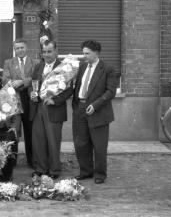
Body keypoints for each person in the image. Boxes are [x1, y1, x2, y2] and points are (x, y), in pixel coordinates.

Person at [72, 39, 119, 184]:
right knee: (81, 143)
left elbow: (111, 92)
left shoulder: (108, 69)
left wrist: (96, 105)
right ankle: (85, 171)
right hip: (80, 109)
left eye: (87, 53)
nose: (84, 56)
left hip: (98, 111)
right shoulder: (81, 67)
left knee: (99, 145)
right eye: (83, 53)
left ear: (96, 53)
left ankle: (100, 174)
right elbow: (78, 87)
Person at [29, 40, 73, 179]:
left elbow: (69, 89)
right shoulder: (38, 66)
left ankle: (54, 170)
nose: (46, 54)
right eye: (44, 52)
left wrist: (55, 100)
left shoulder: (64, 67)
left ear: (56, 51)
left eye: (49, 51)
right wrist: (32, 93)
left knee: (53, 141)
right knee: (38, 140)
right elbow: (32, 84)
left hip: (54, 108)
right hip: (38, 108)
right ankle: (40, 168)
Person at [2, 38, 36, 167]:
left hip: (28, 99)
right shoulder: (8, 62)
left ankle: (31, 159)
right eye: (17, 48)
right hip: (14, 98)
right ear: (14, 49)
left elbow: (35, 77)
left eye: (22, 47)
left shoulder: (35, 62)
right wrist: (12, 83)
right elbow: (5, 79)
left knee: (29, 129)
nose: (20, 50)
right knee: (13, 129)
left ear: (26, 48)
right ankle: (12, 159)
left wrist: (22, 82)